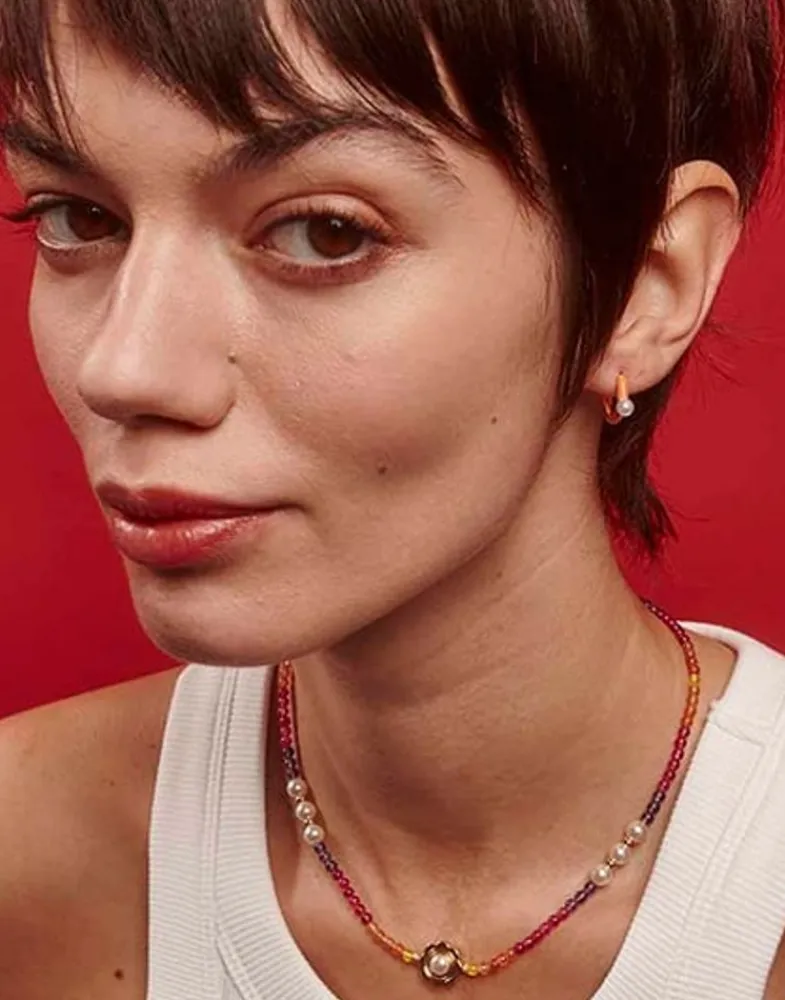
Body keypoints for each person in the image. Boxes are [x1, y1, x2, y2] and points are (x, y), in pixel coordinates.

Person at [0, 0, 784, 997]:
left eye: (323, 232)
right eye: (78, 218)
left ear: (646, 282)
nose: (124, 368)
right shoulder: (24, 850)